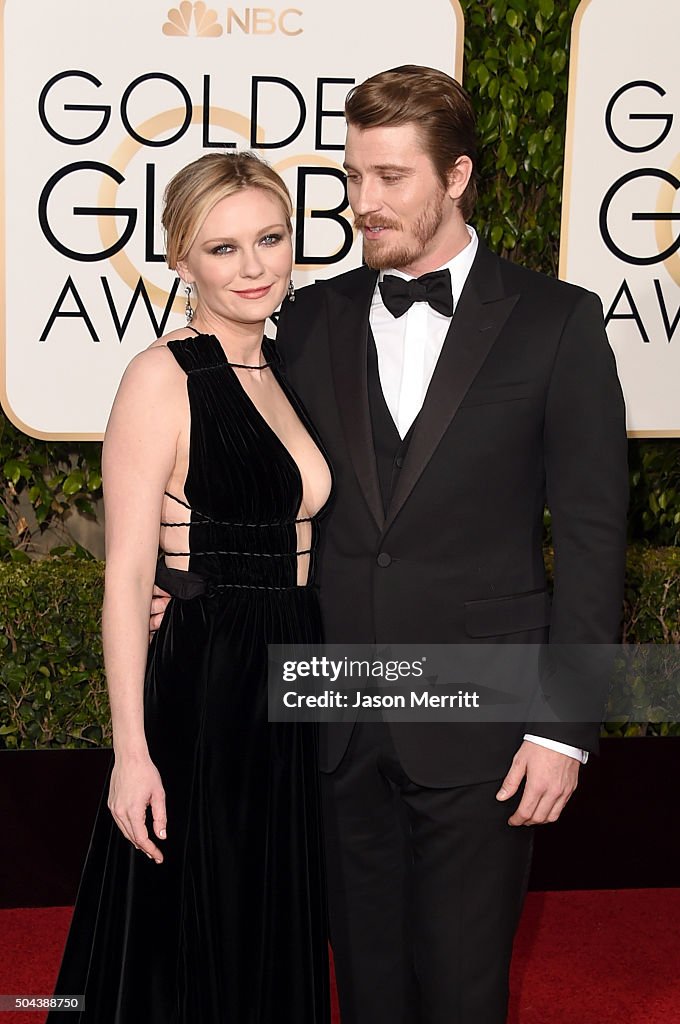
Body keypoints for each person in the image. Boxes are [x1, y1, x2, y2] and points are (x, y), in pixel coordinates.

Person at [273, 66, 629, 1023]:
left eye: (390, 177)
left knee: (467, 991)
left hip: (486, 718)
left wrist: (564, 728)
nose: (363, 203)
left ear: (456, 175)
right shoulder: (307, 319)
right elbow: (260, 498)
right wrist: (179, 582)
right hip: (338, 716)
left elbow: (595, 539)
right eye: (353, 178)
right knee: (369, 990)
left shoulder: (557, 322)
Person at [49, 152, 331, 1024]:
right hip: (212, 680)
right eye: (223, 248)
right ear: (181, 260)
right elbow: (129, 576)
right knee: (195, 921)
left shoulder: (293, 365)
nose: (254, 267)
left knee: (271, 910)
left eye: (270, 239)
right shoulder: (162, 378)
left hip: (296, 666)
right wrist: (130, 753)